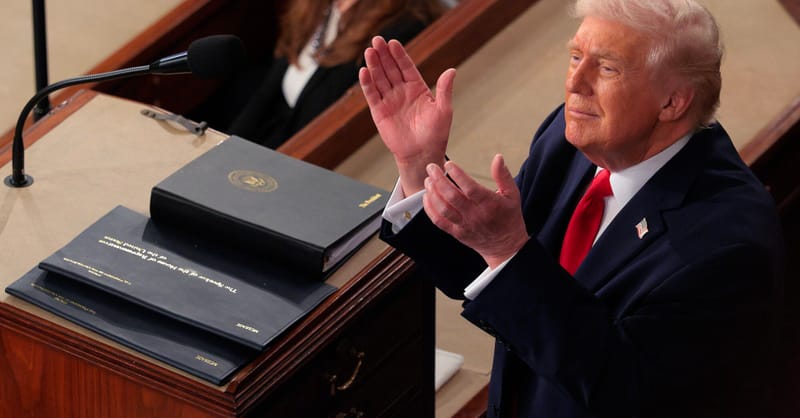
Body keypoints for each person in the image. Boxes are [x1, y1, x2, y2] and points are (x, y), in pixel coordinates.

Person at [358, 0, 784, 417]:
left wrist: (507, 250)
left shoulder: (728, 247)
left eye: (607, 67)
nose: (576, 83)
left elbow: (623, 389)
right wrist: (421, 163)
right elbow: (491, 272)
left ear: (673, 103)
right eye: (576, 56)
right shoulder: (570, 140)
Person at [193, 0, 445, 149]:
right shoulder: (315, 7)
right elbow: (268, 91)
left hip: (306, 156)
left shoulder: (404, 25)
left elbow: (324, 121)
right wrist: (222, 148)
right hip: (271, 139)